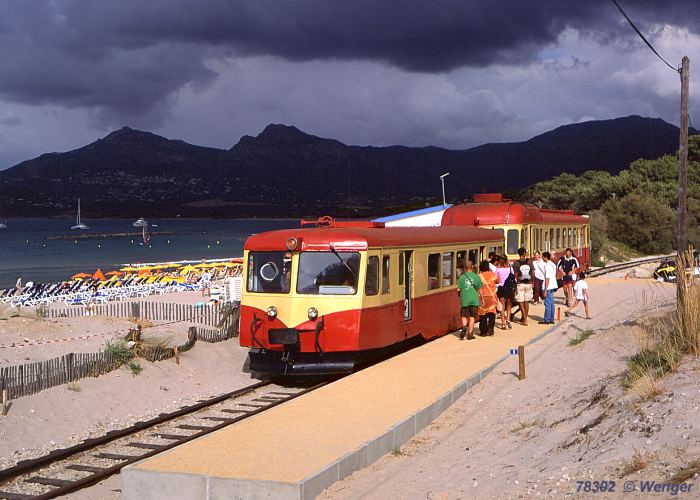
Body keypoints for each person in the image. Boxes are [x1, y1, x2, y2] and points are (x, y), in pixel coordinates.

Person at [457, 260, 482, 340]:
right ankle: (470, 334)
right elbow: (480, 289)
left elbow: (458, 289)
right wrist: (482, 298)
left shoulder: (462, 277)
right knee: (472, 316)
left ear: (465, 268)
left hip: (465, 299)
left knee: (464, 315)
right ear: (472, 267)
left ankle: (464, 326)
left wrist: (460, 296)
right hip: (474, 300)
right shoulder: (476, 276)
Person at [477, 260, 499, 336]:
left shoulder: (479, 276)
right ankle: (491, 329)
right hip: (492, 296)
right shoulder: (493, 274)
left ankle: (483, 331)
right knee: (492, 313)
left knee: (482, 314)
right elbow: (498, 281)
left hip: (482, 297)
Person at [513, 247, 533, 326]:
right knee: (526, 301)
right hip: (529, 283)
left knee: (521, 302)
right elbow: (533, 273)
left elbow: (515, 275)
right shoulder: (529, 262)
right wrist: (533, 282)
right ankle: (525, 318)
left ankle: (524, 319)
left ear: (518, 254)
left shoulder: (516, 263)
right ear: (524, 253)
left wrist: (515, 284)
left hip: (520, 283)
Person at [495, 256, 514, 329]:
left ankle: (503, 323)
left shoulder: (498, 269)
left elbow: (497, 280)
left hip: (501, 288)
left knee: (502, 306)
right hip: (509, 288)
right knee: (509, 305)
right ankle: (508, 320)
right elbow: (513, 278)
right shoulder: (510, 269)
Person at [539, 251, 558, 324]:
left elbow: (547, 278)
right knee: (552, 303)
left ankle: (546, 319)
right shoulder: (553, 264)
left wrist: (545, 290)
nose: (542, 258)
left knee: (547, 303)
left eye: (542, 257)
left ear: (545, 257)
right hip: (553, 285)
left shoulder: (547, 266)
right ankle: (551, 319)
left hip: (548, 286)